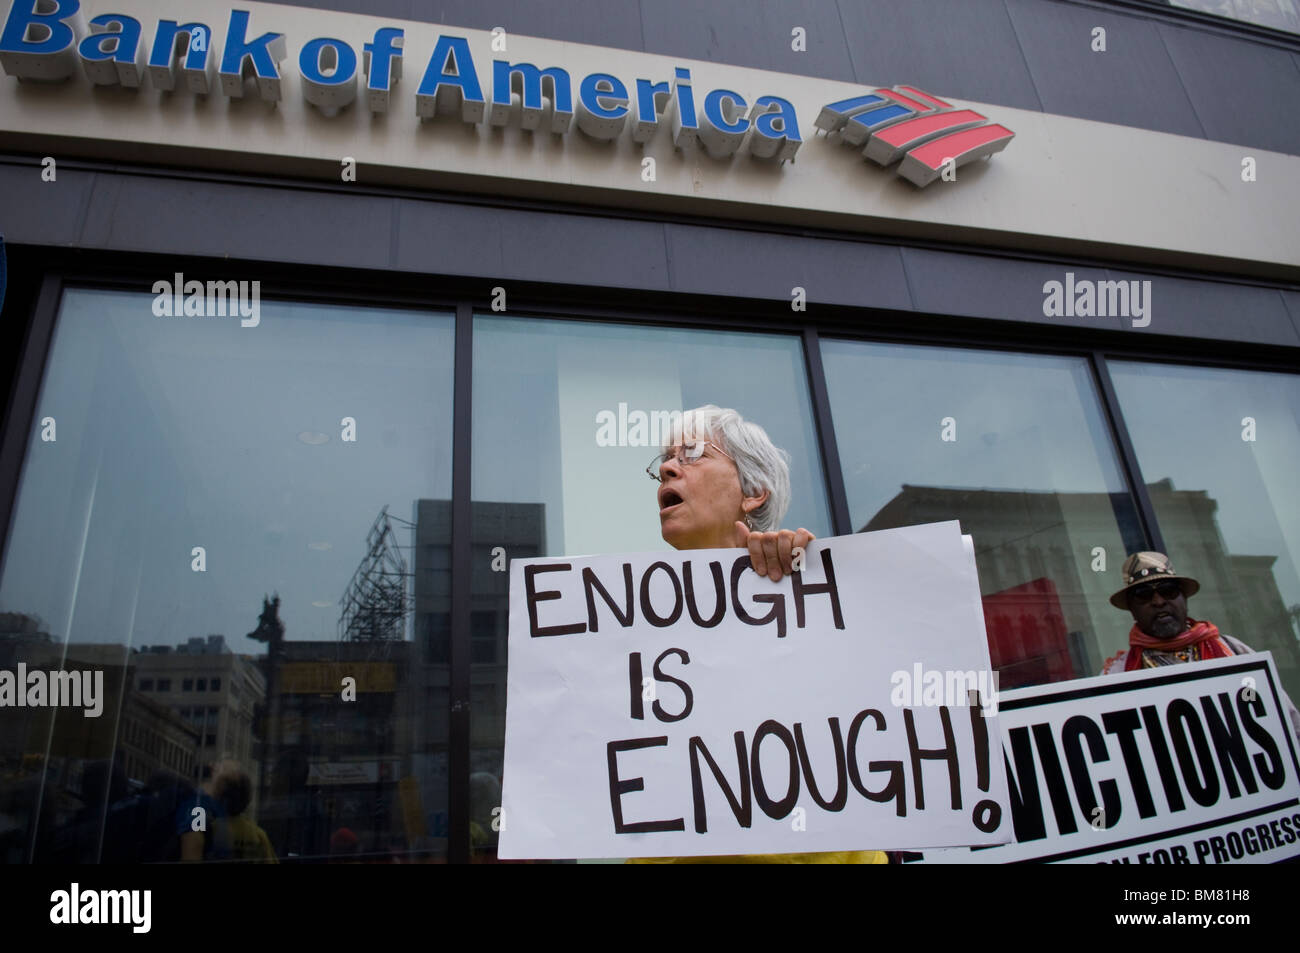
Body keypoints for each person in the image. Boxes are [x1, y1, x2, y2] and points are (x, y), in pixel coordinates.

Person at [629, 405, 888, 865]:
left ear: (753, 494)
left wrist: (795, 589)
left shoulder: (809, 600)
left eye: (691, 453)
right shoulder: (633, 628)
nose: (668, 467)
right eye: (665, 461)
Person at [1100, 551, 1300, 739]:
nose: (1159, 601)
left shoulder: (1232, 650)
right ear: (1132, 610)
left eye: (1168, 591)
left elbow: (1286, 720)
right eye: (1144, 595)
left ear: (1184, 598)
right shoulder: (1118, 674)